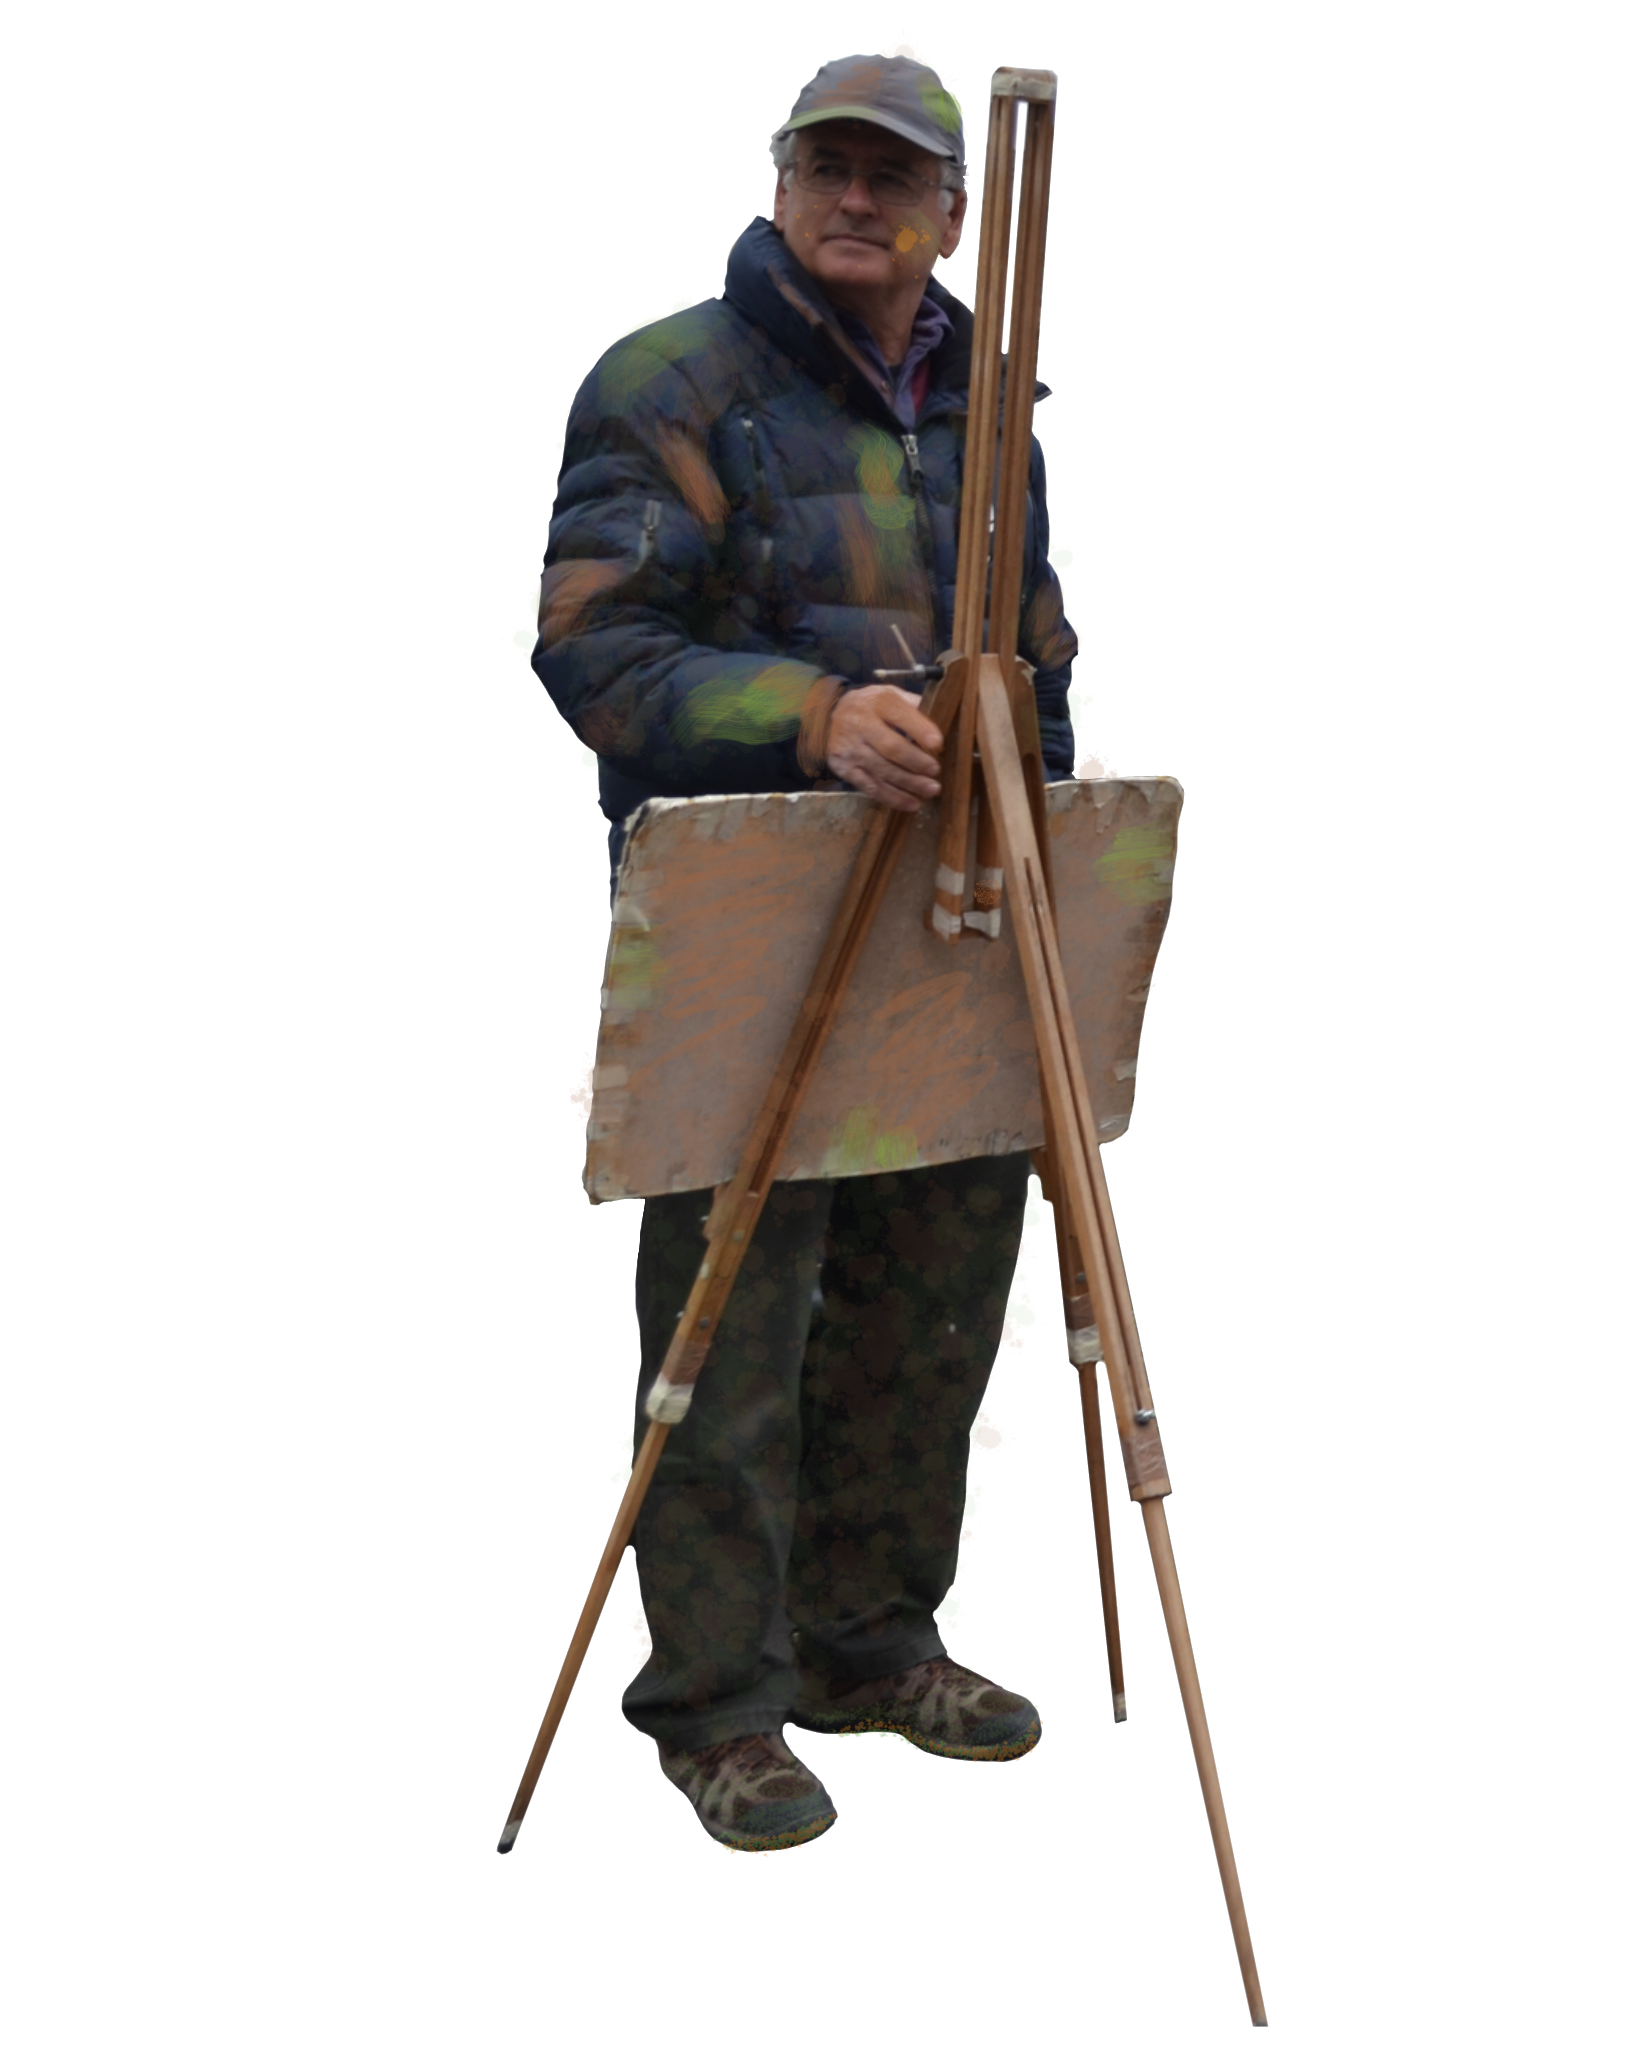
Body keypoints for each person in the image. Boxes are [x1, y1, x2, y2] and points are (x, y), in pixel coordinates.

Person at [531, 52, 1079, 1855]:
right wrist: (813, 716)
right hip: (746, 925)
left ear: (955, 209)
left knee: (938, 1300)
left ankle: (874, 1645)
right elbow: (596, 647)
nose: (858, 198)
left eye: (895, 175)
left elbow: (1038, 643)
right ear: (778, 180)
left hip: (948, 921)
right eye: (827, 165)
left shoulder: (989, 400)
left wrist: (1044, 849)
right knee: (733, 1325)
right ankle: (717, 1707)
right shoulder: (670, 378)